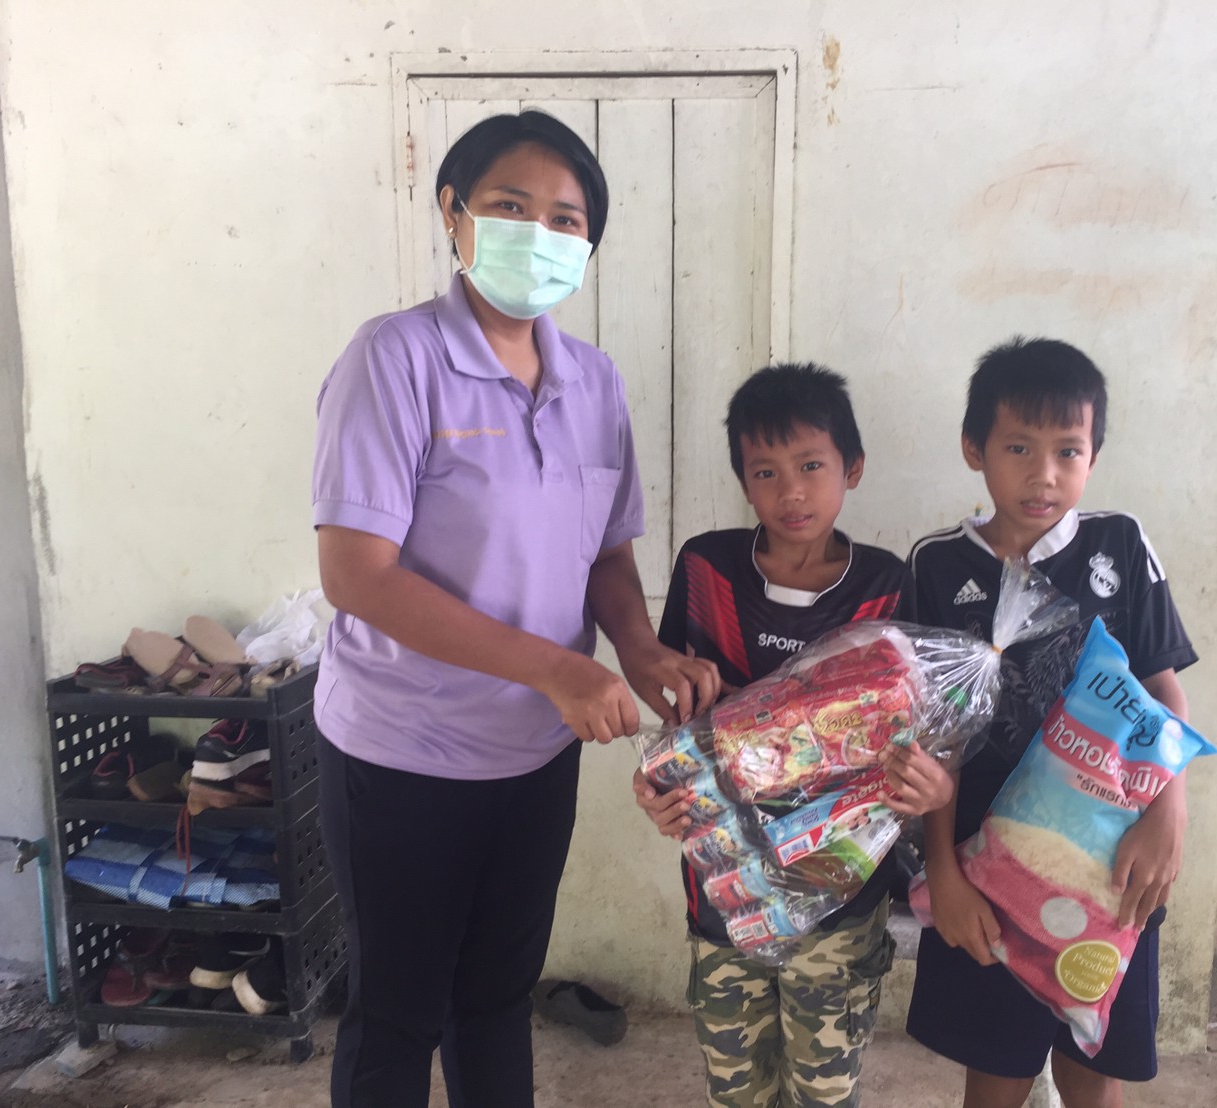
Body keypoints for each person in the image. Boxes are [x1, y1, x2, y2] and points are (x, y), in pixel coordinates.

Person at [311, 110, 719, 1108]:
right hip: (403, 753)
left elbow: (605, 551)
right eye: (509, 206)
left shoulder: (593, 382)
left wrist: (638, 649)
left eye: (565, 219)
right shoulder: (395, 359)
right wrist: (554, 667)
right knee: (397, 1014)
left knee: (494, 999)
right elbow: (357, 575)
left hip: (535, 753)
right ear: (453, 213)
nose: (538, 234)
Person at [634, 363, 955, 1108]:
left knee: (824, 1091)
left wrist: (932, 787)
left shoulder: (886, 586)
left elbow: (924, 732)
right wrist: (656, 787)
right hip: (725, 893)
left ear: (853, 468)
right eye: (766, 472)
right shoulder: (707, 569)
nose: (792, 492)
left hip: (841, 905)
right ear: (744, 483)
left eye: (812, 466)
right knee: (736, 1090)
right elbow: (679, 723)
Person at [905, 338, 1198, 1108]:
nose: (1044, 474)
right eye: (1018, 448)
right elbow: (935, 735)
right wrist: (943, 871)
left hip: (1107, 859)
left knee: (1091, 1069)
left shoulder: (1118, 545)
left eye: (1068, 450)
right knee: (996, 1070)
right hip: (988, 864)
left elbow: (1162, 692)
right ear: (973, 449)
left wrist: (1168, 811)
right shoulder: (937, 566)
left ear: (1093, 455)